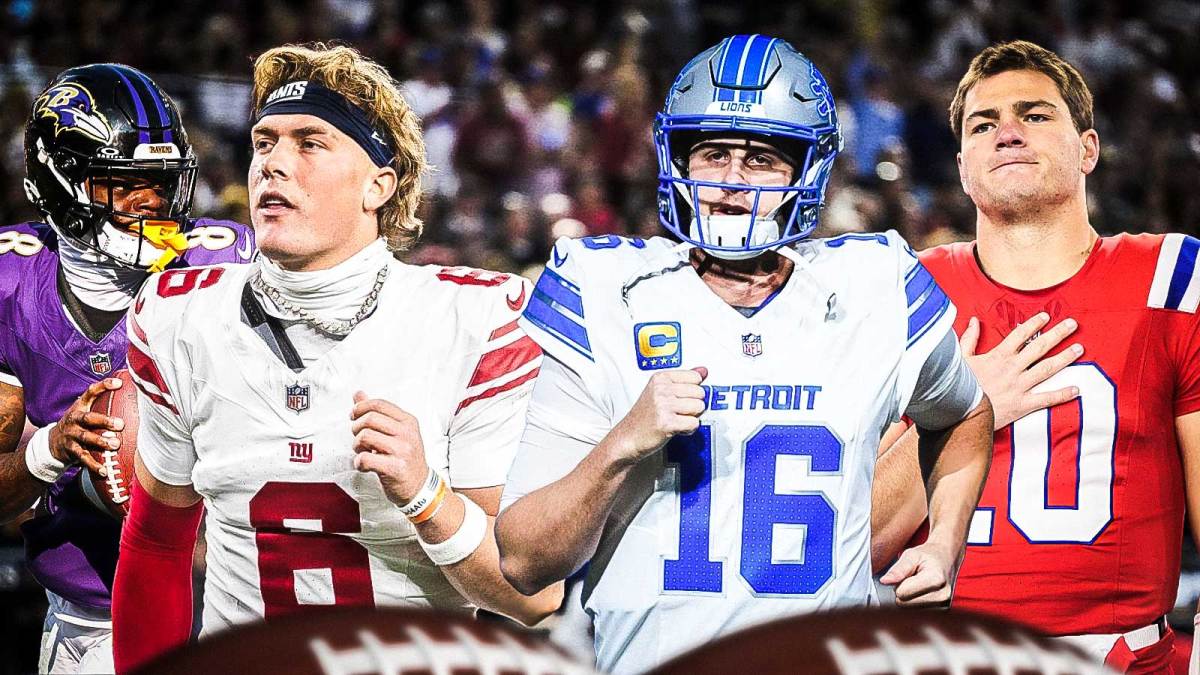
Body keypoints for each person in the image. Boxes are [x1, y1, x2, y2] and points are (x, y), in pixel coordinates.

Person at [494, 34, 995, 674]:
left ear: (805, 172)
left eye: (761, 159)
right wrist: (622, 443)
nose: (733, 183)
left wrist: (946, 541)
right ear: (676, 159)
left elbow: (965, 414)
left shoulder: (875, 288)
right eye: (713, 153)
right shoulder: (606, 295)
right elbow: (524, 561)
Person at [111, 43, 562, 673]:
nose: (273, 164)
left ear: (379, 185)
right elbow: (158, 541)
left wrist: (426, 496)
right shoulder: (180, 316)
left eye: (310, 142)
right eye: (263, 142)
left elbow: (531, 595)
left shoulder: (472, 322)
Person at [870, 40, 1200, 673]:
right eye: (983, 124)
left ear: (1088, 148)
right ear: (963, 165)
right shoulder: (905, 292)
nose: (1008, 133)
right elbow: (857, 543)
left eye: (1036, 114)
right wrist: (969, 409)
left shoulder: (1170, 279)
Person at [0, 64, 254, 673]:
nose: (152, 201)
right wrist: (53, 451)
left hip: (240, 603)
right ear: (64, 183)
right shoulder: (12, 286)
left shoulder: (226, 265)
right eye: (127, 182)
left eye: (161, 182)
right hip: (97, 622)